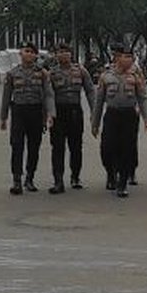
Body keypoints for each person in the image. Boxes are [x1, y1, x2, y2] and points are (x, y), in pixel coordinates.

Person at [92, 44, 147, 198]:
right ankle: (111, 173)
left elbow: (143, 98)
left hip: (129, 115)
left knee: (127, 148)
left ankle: (122, 182)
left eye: (130, 57)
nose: (128, 59)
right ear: (117, 58)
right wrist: (95, 123)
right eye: (124, 56)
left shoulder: (136, 76)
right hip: (112, 115)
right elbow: (99, 101)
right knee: (107, 148)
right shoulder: (106, 76)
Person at [0, 42, 56, 195]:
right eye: (26, 51)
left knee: (33, 147)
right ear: (21, 53)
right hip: (18, 112)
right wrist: (3, 118)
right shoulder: (12, 74)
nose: (29, 54)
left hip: (36, 112)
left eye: (32, 52)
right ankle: (16, 179)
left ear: (36, 55)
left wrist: (50, 114)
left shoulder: (42, 73)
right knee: (17, 146)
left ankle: (30, 178)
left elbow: (48, 95)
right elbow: (6, 97)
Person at [47, 43, 95, 194]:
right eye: (60, 52)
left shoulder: (81, 71)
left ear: (71, 54)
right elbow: (47, 95)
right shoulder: (51, 73)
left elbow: (90, 92)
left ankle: (75, 177)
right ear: (56, 55)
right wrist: (48, 114)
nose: (63, 55)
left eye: (66, 52)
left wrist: (95, 112)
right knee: (58, 147)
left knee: (76, 146)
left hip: (75, 112)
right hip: (58, 113)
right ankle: (58, 180)